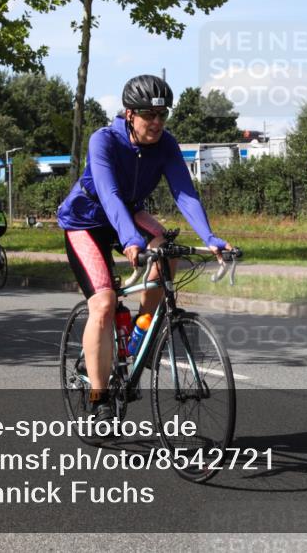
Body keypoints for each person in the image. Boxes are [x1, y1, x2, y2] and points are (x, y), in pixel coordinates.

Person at [57, 74, 232, 425]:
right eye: (148, 115)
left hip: (129, 213)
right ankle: (99, 397)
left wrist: (211, 237)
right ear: (128, 114)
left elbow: (184, 193)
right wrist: (130, 240)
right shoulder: (103, 140)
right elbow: (108, 194)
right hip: (85, 219)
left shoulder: (166, 145)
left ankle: (141, 332)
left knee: (170, 251)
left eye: (162, 115)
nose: (156, 122)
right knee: (104, 303)